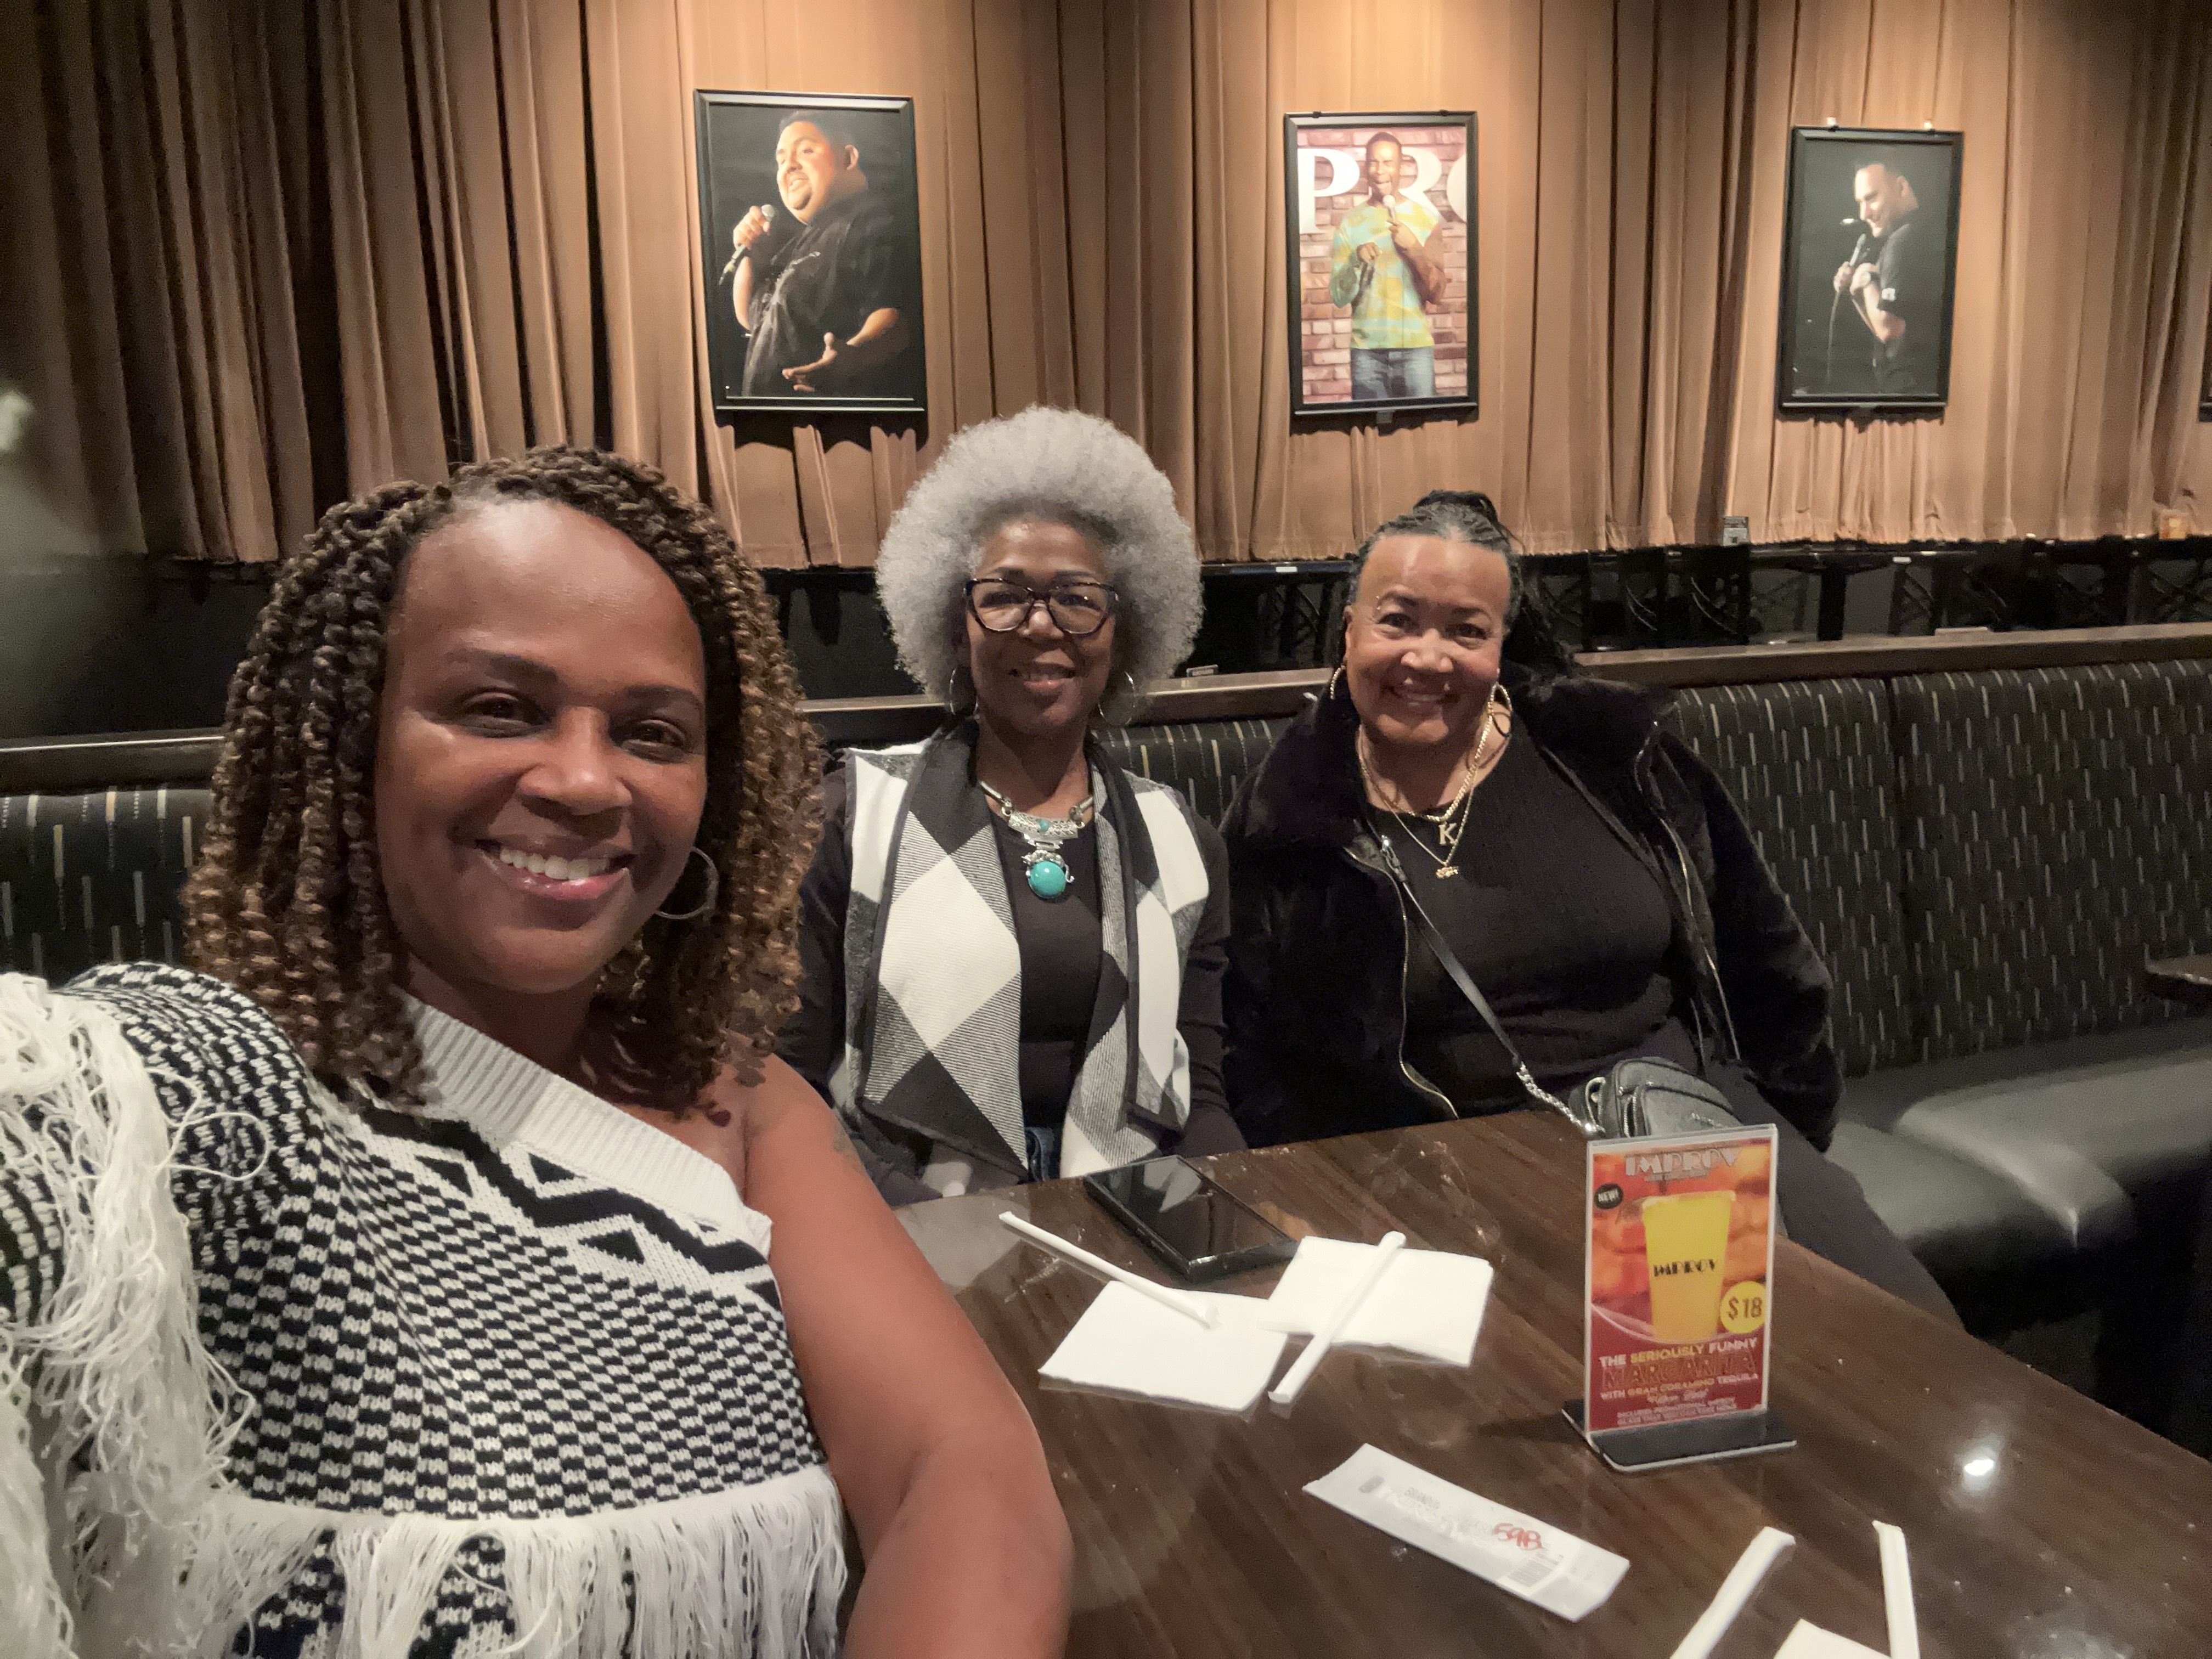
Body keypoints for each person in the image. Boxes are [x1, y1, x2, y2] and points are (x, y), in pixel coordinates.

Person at [0, 448, 1070, 1657]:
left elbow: (965, 1470)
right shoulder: (198, 1092)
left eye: (652, 733)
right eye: (498, 708)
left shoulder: (734, 1093)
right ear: (349, 742)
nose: (584, 781)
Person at [1220, 489, 1956, 1319]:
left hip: (1686, 1124)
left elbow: (1765, 956)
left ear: (1503, 645)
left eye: (1466, 631)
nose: (1428, 657)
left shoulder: (1611, 758)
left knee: (1897, 1337)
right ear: (1350, 629)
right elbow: (1250, 1048)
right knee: (1627, 1363)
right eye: (1399, 621)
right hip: (1462, 1170)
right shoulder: (1291, 813)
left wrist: (1788, 1136)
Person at [781, 407, 1240, 1203]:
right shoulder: (851, 816)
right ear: (956, 627)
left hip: (1130, 1203)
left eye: (1076, 598)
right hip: (896, 1201)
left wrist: (1238, 1212)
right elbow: (785, 1086)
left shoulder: (1183, 840)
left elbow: (1197, 1097)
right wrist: (920, 1221)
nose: (1039, 625)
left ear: (1124, 631)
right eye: (1004, 596)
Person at [729, 110, 921, 398]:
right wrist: (751, 254)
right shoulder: (795, 246)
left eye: (805, 150)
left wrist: (853, 357)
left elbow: (894, 312)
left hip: (829, 418)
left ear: (848, 158)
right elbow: (751, 319)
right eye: (781, 160)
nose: (789, 166)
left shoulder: (873, 218)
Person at [1327, 132, 1445, 401]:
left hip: (1415, 352)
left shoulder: (1426, 219)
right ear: (1366, 168)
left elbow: (1437, 294)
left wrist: (1414, 249)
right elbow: (1338, 296)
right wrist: (1355, 261)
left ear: (1401, 167)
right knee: (1370, 426)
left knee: (1419, 427)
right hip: (1367, 354)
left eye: (1388, 163)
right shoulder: (1350, 222)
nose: (1380, 171)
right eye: (1373, 162)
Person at [1832, 156, 1941, 396]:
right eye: (1860, 202)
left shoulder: (1902, 242)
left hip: (1909, 389)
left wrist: (1866, 279)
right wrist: (1857, 291)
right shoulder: (1924, 234)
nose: (1864, 214)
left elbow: (1890, 329)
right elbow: (1883, 332)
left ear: (1901, 187)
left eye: (1871, 198)